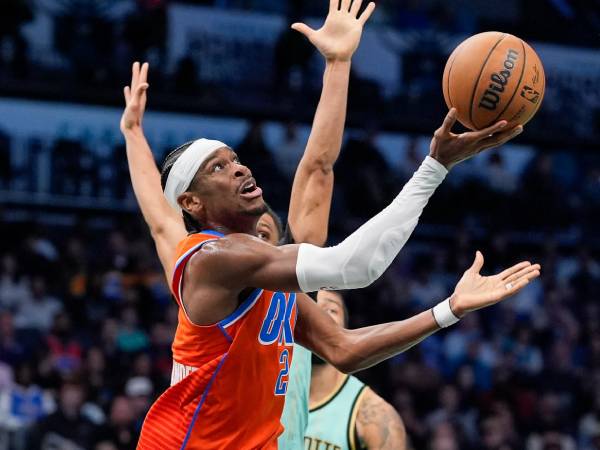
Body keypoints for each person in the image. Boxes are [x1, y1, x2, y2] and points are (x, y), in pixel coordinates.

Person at [122, 3, 536, 448]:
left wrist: (450, 308)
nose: (240, 169)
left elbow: (343, 348)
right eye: (219, 168)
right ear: (194, 202)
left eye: (236, 159)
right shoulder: (211, 259)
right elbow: (354, 265)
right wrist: (434, 166)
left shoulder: (276, 292)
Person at [121, 1, 374, 447]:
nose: (251, 244)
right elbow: (161, 221)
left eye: (263, 238)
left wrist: (339, 65)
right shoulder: (207, 267)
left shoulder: (294, 280)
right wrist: (133, 134)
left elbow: (318, 164)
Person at [306, 290, 407, 450]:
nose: (320, 317)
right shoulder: (267, 388)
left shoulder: (377, 416)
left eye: (331, 310)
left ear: (346, 330)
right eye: (312, 307)